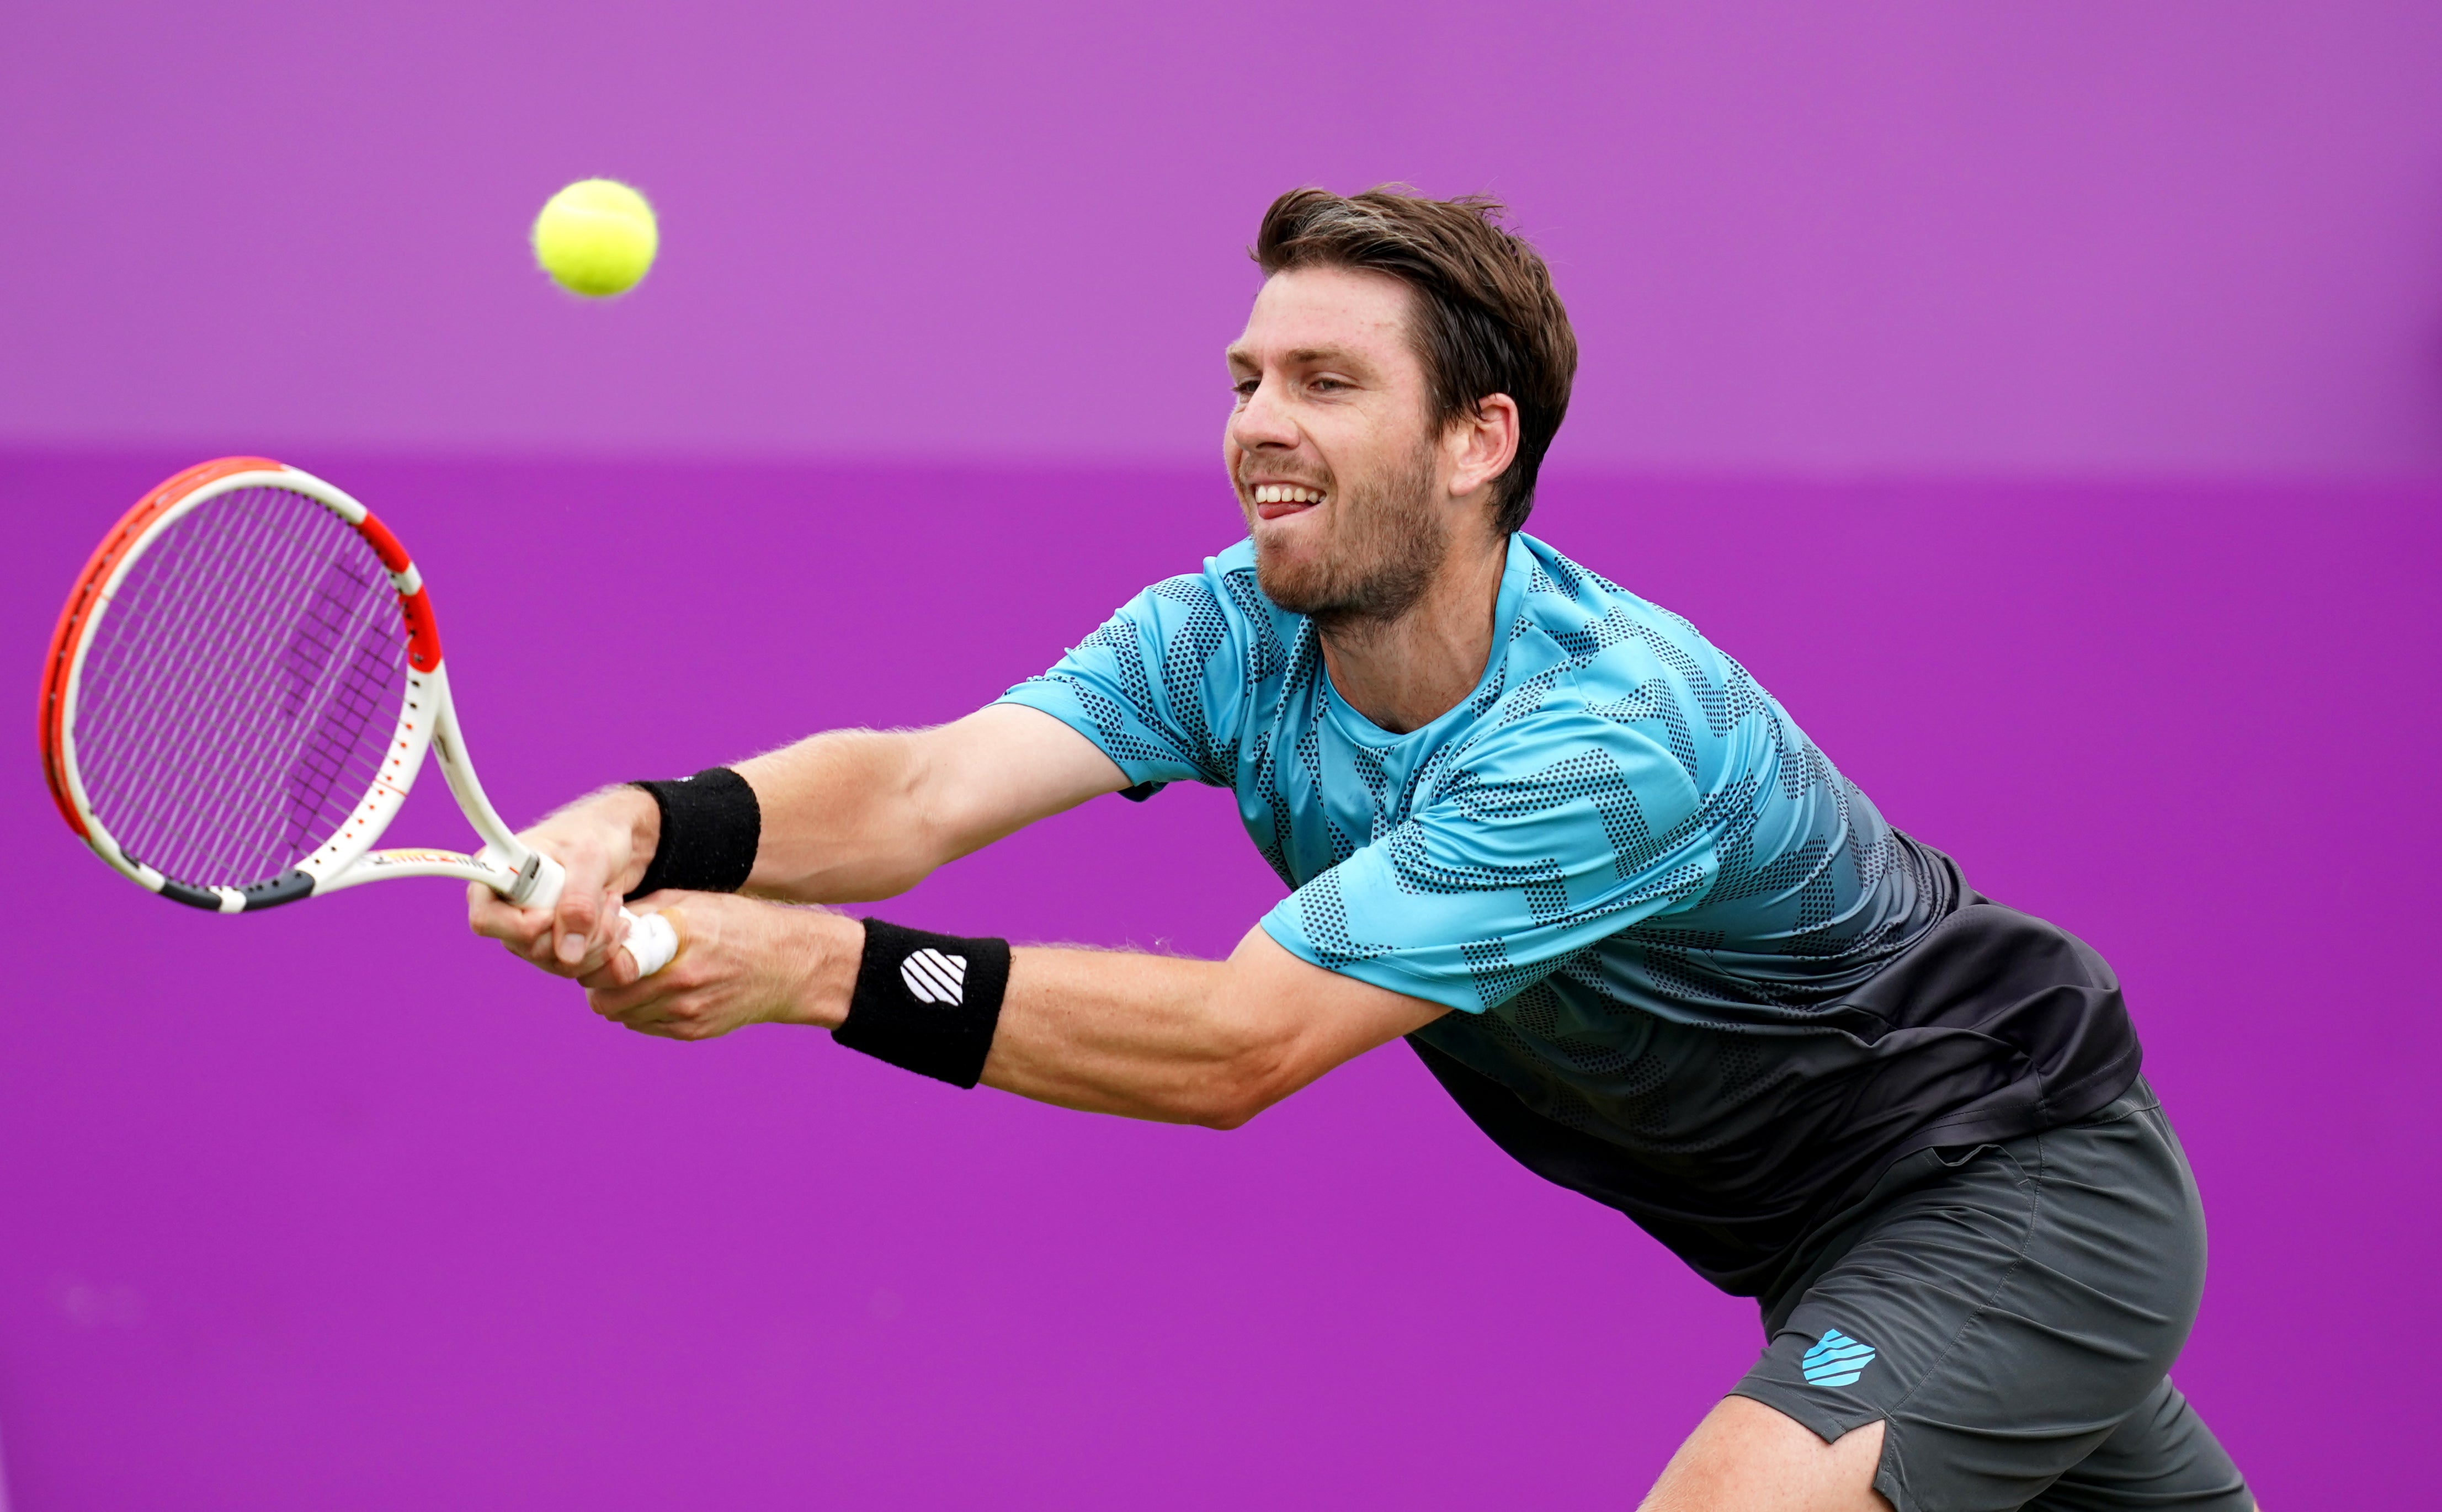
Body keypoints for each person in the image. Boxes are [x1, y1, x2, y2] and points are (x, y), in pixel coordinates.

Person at [470, 187, 2254, 1512]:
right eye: (1248, 376)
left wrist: (803, 968)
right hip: (1818, 1239)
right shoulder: (1235, 632)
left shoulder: (1607, 735)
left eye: (1325, 381)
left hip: (2011, 1186)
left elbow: (1239, 1047)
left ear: (1480, 441)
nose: (1258, 422)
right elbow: (925, 789)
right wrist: (657, 821)